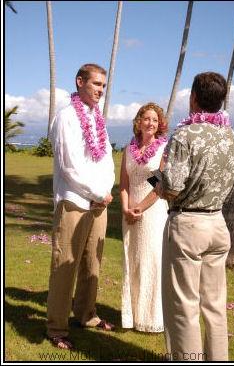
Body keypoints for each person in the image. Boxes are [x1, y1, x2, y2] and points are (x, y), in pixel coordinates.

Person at [136, 72, 234, 360]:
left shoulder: (185, 135)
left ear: (194, 97)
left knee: (184, 304)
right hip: (218, 224)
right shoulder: (233, 140)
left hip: (188, 225)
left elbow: (170, 186)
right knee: (215, 305)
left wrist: (151, 177)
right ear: (220, 101)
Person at [46, 63, 115, 350]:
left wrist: (106, 189)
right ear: (79, 82)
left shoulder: (97, 118)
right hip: (74, 200)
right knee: (65, 265)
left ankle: (86, 314)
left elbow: (108, 156)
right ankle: (56, 328)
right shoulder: (65, 117)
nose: (100, 90)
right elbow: (69, 166)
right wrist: (98, 191)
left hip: (99, 202)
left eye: (103, 85)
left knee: (91, 263)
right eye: (96, 84)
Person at [120, 102, 169, 332]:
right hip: (129, 212)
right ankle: (131, 316)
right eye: (146, 118)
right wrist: (126, 208)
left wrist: (141, 207)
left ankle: (151, 319)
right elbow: (124, 183)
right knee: (132, 261)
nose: (150, 123)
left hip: (153, 211)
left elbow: (158, 182)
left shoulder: (163, 149)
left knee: (150, 260)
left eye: (155, 120)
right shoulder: (128, 150)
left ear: (159, 126)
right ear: (138, 121)